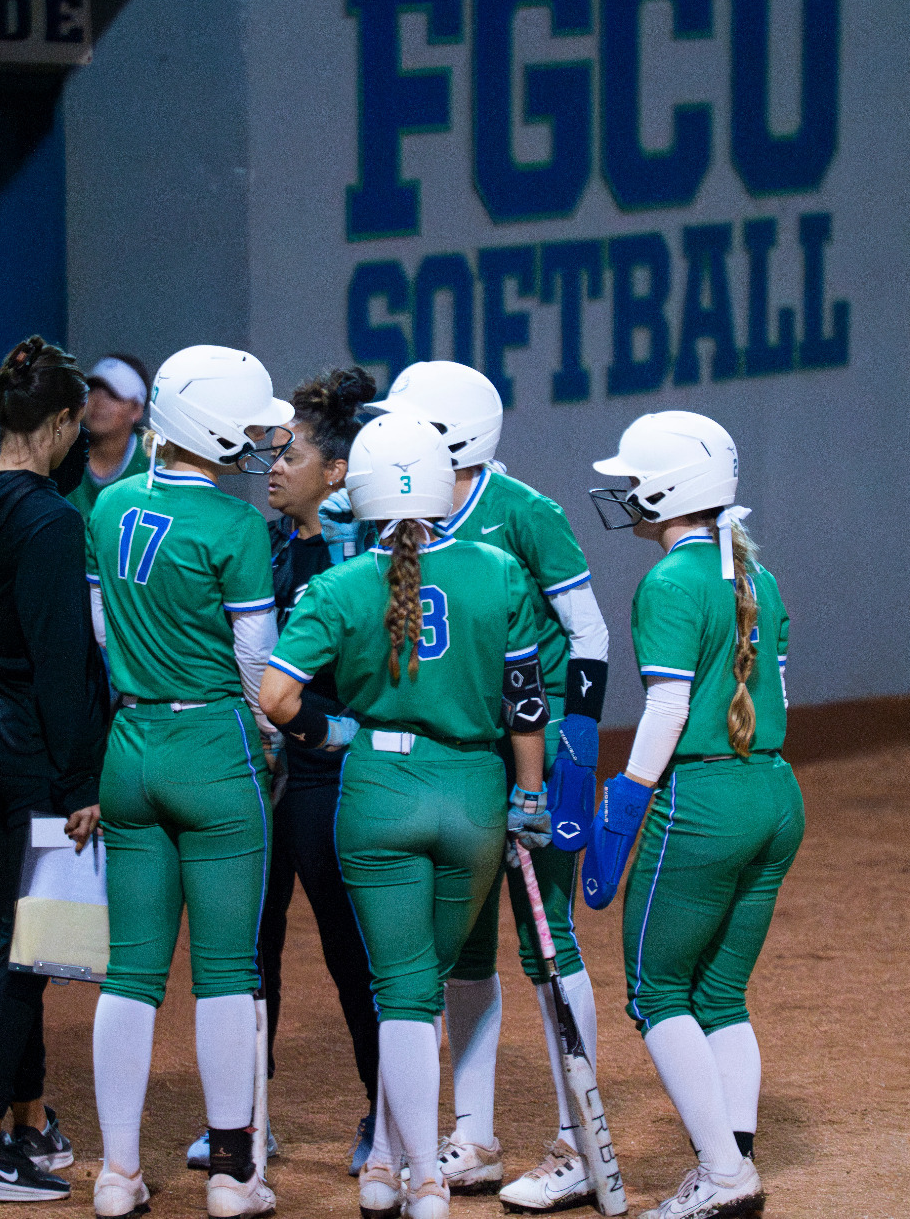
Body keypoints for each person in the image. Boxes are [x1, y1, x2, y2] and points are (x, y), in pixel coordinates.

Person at [261, 411, 554, 1219]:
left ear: (358, 493)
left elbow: (276, 696)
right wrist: (529, 793)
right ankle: (395, 1160)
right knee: (436, 976)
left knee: (400, 991)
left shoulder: (337, 585)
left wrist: (333, 731)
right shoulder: (498, 570)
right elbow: (524, 701)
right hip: (474, 795)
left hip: (378, 794)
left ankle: (412, 1172)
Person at [365, 360, 613, 1210]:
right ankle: (472, 1137)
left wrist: (573, 749)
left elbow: (588, 631)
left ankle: (576, 1143)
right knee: (465, 953)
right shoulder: (403, 518)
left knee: (551, 947)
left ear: (449, 439)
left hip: (538, 760)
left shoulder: (525, 515)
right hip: (461, 765)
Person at [83, 344, 292, 1219]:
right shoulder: (238, 527)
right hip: (215, 747)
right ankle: (233, 1177)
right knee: (227, 973)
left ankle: (116, 1173)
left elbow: (101, 632)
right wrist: (269, 743)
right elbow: (257, 662)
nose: (257, 439)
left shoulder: (108, 504)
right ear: (208, 424)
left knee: (129, 973)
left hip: (129, 746)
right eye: (246, 423)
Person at [579, 411, 804, 1219]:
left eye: (633, 480)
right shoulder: (758, 575)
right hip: (774, 794)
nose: (624, 494)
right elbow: (774, 690)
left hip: (702, 804)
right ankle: (730, 1157)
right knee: (721, 994)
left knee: (656, 990)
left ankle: (723, 1174)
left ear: (667, 489)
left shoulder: (670, 582)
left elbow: (670, 706)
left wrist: (626, 801)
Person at [181, 365, 382, 1175]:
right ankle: (245, 1121)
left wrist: (342, 733)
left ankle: (385, 1114)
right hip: (260, 779)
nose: (272, 465)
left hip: (335, 784)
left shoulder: (366, 557)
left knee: (351, 955)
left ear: (337, 472)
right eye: (270, 451)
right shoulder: (258, 547)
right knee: (248, 951)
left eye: (290, 454)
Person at [0, 337, 108, 1202]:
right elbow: (62, 663)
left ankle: (29, 1119)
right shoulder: (50, 524)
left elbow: (40, 479)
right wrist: (82, 783)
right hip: (35, 753)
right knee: (26, 952)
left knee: (19, 937)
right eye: (79, 425)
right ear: (64, 421)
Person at [65, 353, 152, 519]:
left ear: (136, 410)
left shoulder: (155, 466)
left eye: (113, 395)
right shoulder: (60, 453)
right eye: (92, 390)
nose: (98, 402)